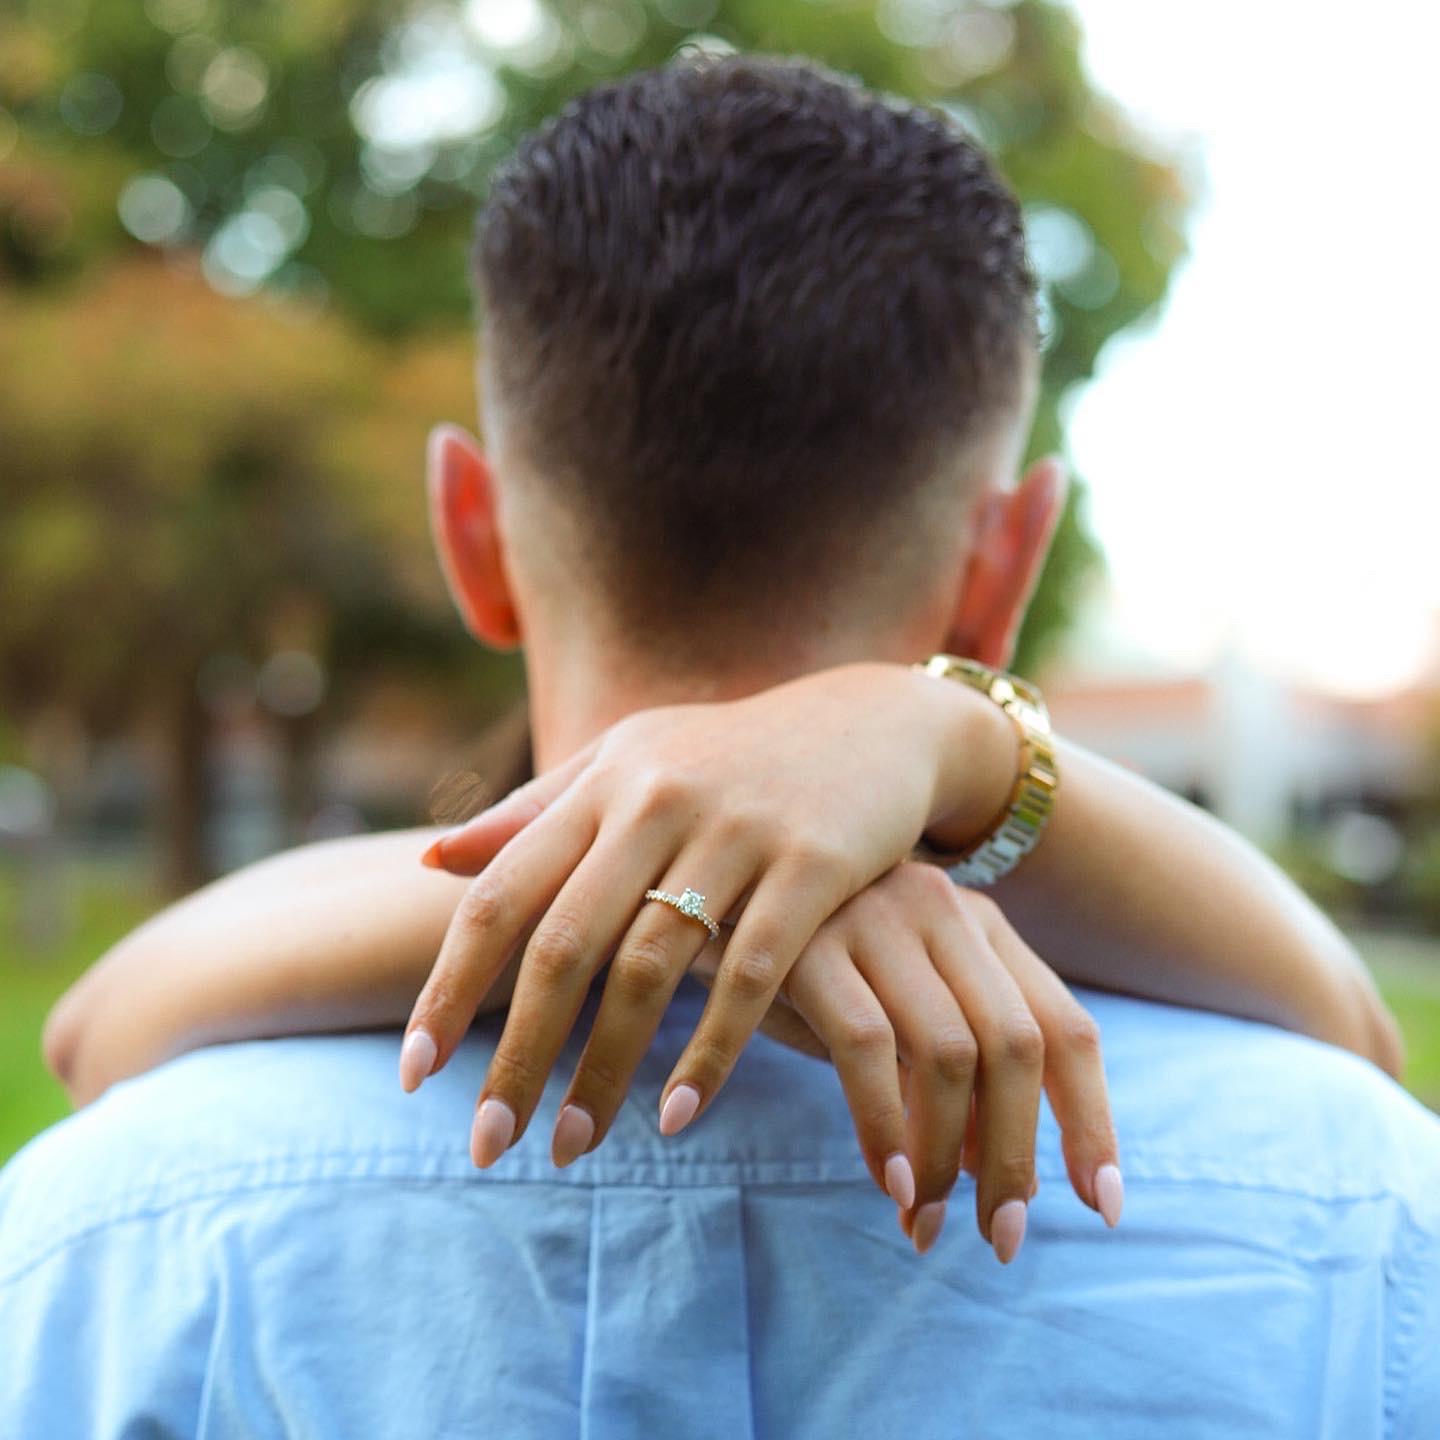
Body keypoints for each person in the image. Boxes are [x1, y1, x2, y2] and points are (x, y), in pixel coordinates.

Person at [3, 55, 1438, 1438]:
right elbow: (1355, 1030)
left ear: (470, 532)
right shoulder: (1369, 1216)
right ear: (1006, 564)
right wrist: (970, 753)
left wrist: (715, 861)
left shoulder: (100, 1240)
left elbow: (95, 1028)